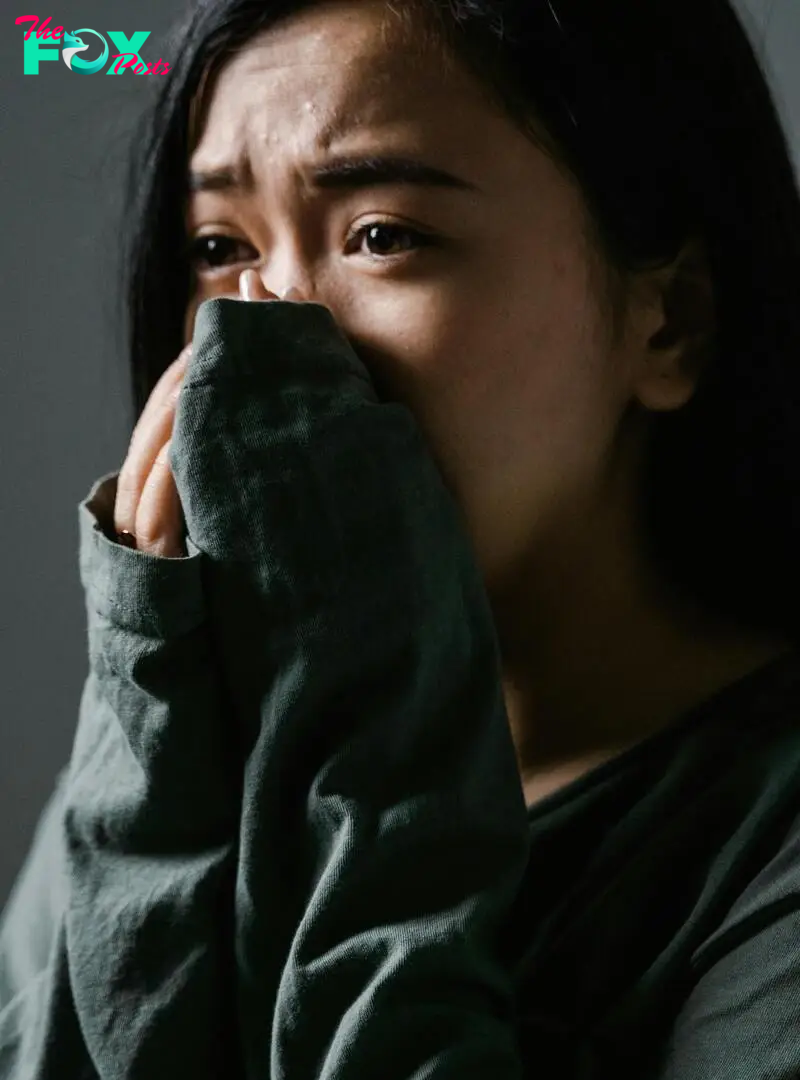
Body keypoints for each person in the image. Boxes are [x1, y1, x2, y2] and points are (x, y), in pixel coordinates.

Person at [2, 0, 800, 1076]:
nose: (256, 336)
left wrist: (368, 726)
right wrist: (146, 711)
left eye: (382, 236)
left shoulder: (763, 846)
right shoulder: (171, 745)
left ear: (667, 321)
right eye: (216, 246)